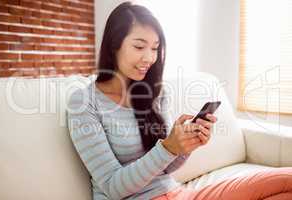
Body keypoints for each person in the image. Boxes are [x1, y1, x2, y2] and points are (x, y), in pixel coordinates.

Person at [67, 2, 292, 200]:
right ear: (114, 45)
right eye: (139, 46)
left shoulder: (155, 93)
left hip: (178, 193)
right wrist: (167, 148)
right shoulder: (84, 103)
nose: (149, 58)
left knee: (286, 181)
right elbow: (113, 188)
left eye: (155, 48)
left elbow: (166, 169)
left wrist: (185, 146)